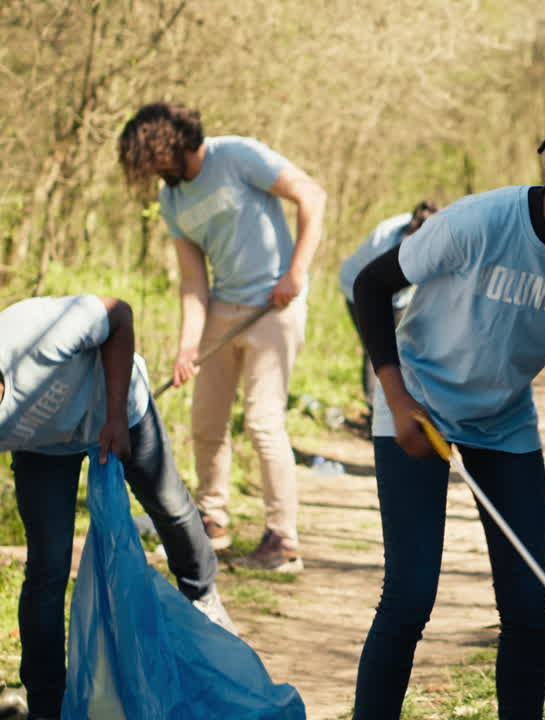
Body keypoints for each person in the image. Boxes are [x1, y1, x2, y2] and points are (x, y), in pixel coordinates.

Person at [350, 126, 545, 719]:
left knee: (526, 607)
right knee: (410, 598)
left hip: (503, 422)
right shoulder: (479, 222)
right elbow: (371, 285)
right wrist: (396, 396)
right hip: (418, 407)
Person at [0, 295, 235, 720]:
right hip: (43, 449)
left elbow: (119, 314)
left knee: (168, 505)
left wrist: (113, 417)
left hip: (117, 408)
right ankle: (46, 703)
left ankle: (202, 593)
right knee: (46, 570)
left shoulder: (32, 333)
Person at [118, 102, 327, 573]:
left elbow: (312, 196)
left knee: (262, 420)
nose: (149, 171)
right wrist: (188, 344)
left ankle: (282, 540)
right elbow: (193, 281)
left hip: (275, 305)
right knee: (205, 421)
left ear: (170, 145)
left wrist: (296, 272)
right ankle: (212, 521)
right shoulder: (172, 200)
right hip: (223, 310)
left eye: (151, 159)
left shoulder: (237, 156)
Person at [339, 200, 439, 407]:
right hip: (358, 289)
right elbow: (377, 289)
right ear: (410, 229)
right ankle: (375, 410)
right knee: (378, 348)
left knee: (404, 349)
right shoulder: (385, 237)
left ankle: (404, 405)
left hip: (399, 299)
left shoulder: (435, 236)